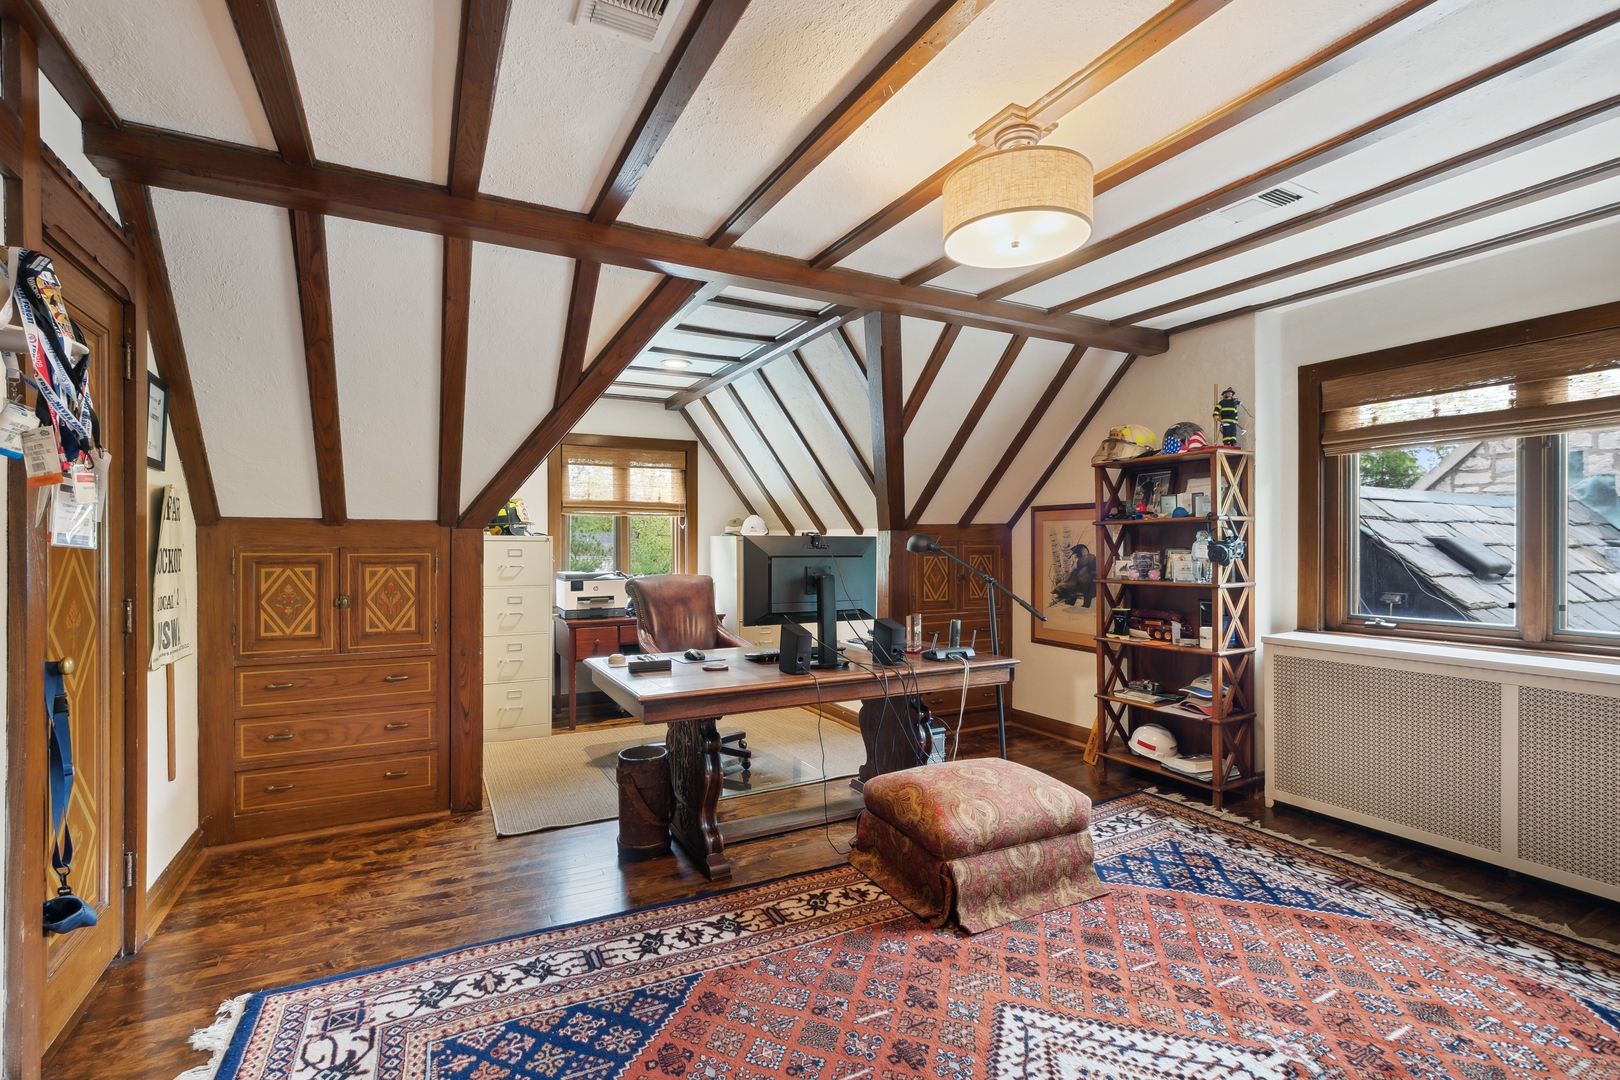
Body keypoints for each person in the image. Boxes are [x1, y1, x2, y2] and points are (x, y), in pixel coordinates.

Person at [1053, 543, 1097, 608]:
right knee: (1071, 584)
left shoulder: (1089, 560)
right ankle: (1069, 600)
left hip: (1087, 584)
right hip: (1082, 583)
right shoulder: (1082, 563)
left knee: (1073, 585)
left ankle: (1071, 600)